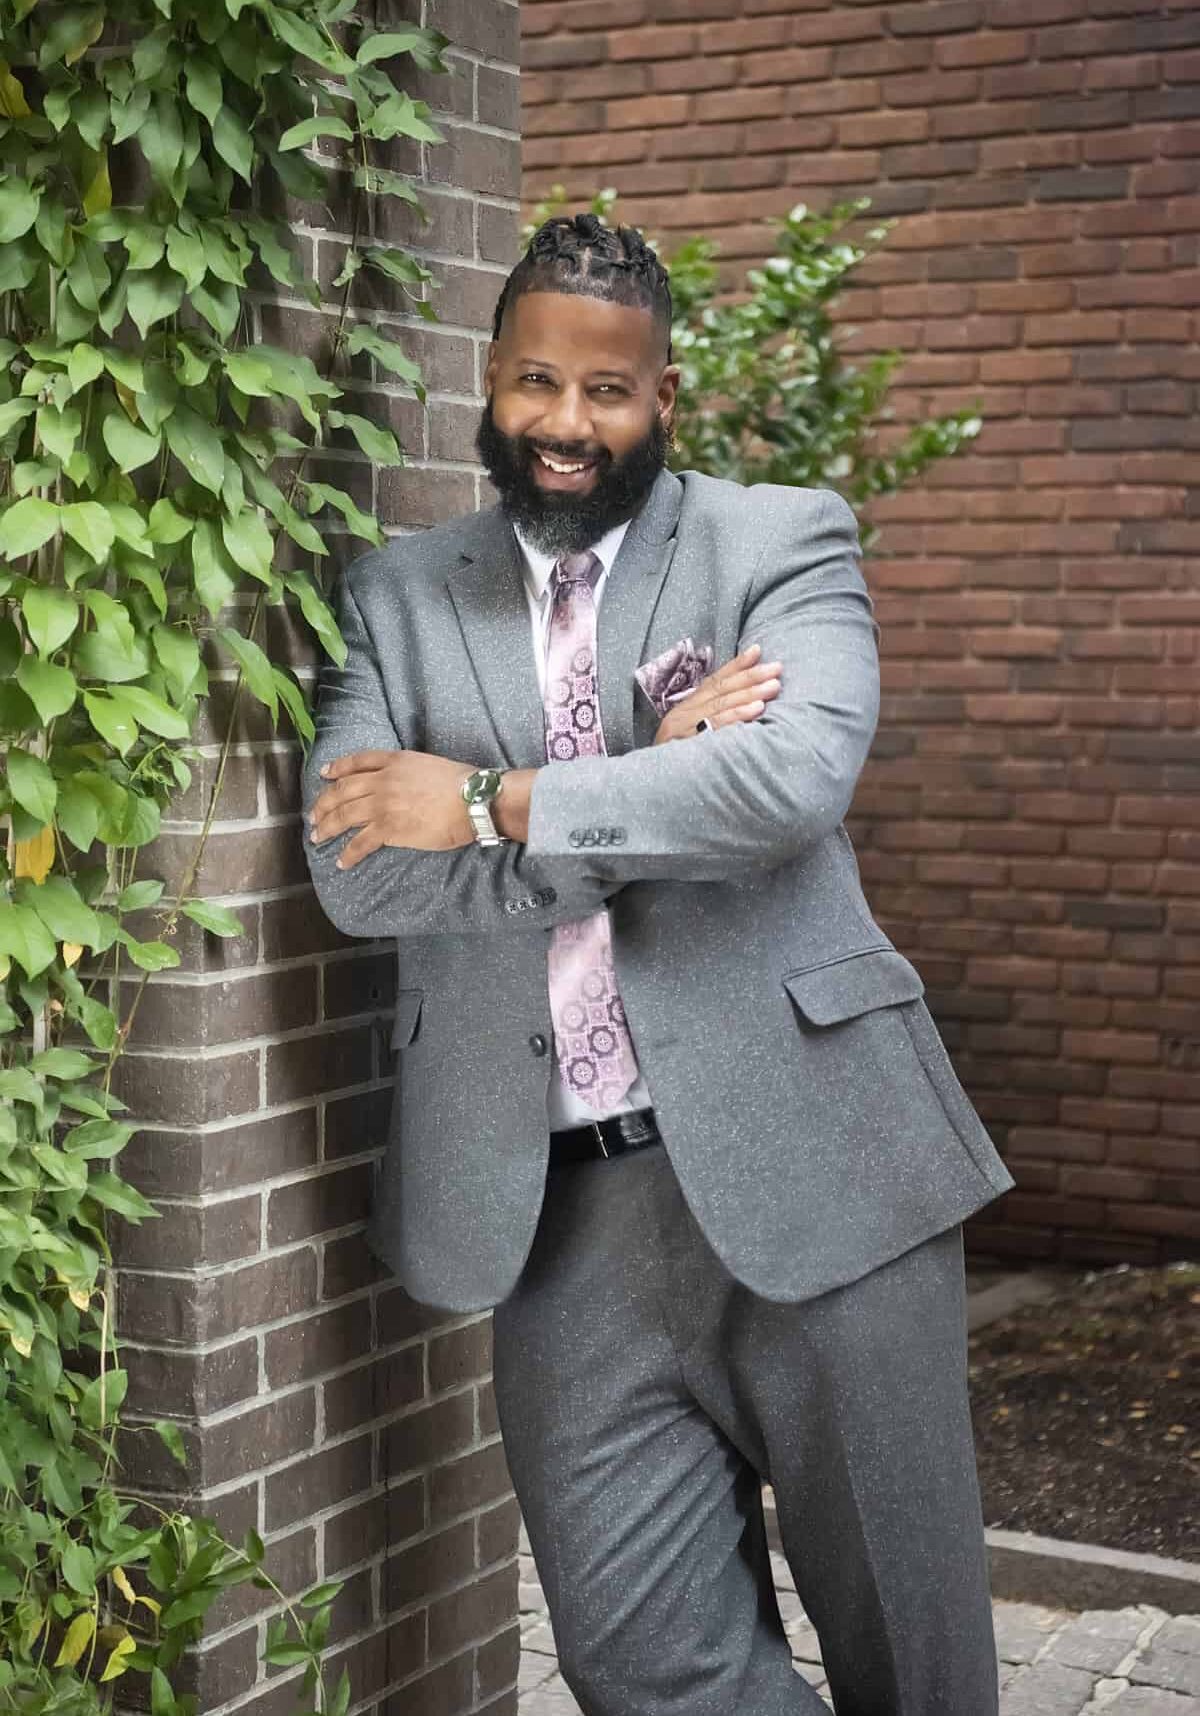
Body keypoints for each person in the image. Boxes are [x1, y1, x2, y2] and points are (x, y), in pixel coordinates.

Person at [304, 213, 1015, 1716]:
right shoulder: (399, 596)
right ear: (489, 381)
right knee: (648, 1673)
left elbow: (781, 789)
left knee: (918, 1664)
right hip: (555, 1221)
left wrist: (492, 802)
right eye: (537, 385)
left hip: (830, 1165)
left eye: (608, 392)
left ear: (664, 395)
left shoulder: (778, 541)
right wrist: (647, 780)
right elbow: (361, 875)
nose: (568, 426)